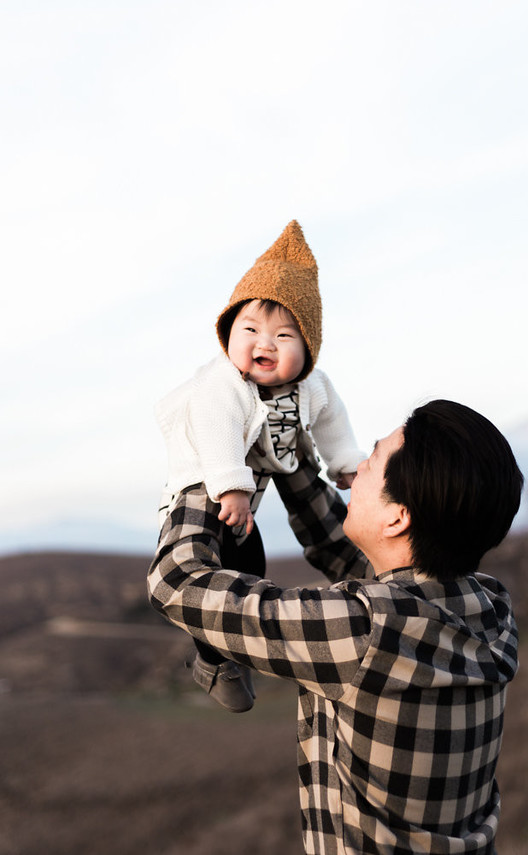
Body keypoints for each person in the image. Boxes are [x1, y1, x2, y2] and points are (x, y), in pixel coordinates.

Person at [148, 398, 523, 855]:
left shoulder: (367, 633)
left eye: (375, 459)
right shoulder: (489, 609)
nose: (359, 467)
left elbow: (176, 583)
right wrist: (289, 455)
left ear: (398, 517)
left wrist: (208, 467)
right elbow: (356, 558)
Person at [154, 220, 367, 712]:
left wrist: (346, 462)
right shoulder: (222, 383)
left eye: (283, 335)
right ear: (229, 333)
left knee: (250, 564)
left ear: (307, 348)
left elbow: (333, 422)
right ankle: (215, 660)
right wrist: (230, 487)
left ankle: (237, 649)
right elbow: (214, 425)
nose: (264, 344)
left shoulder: (314, 387)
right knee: (206, 558)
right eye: (250, 330)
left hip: (266, 467)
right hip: (208, 474)